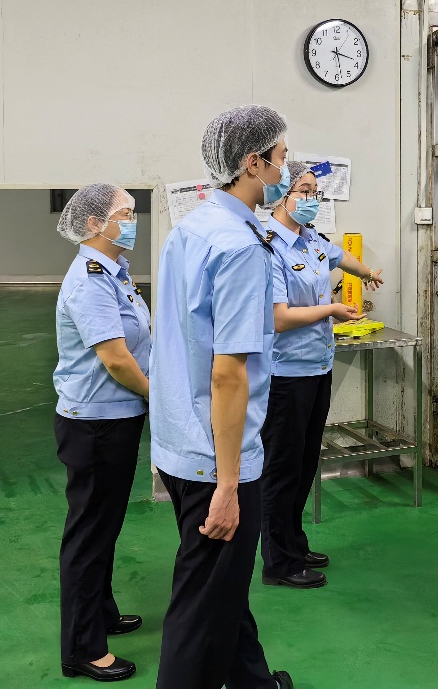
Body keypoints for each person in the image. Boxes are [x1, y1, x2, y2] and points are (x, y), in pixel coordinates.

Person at [149, 105, 294, 689]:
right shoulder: (238, 247)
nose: (287, 169)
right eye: (281, 157)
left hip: (179, 439)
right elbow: (229, 374)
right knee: (201, 609)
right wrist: (229, 486)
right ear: (252, 163)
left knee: (222, 587)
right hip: (218, 457)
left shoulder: (192, 228)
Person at [260, 161, 383, 589]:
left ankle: (294, 543)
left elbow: (339, 256)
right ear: (281, 194)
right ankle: (278, 562)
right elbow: (278, 318)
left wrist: (366, 273)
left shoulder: (310, 238)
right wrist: (331, 309)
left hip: (317, 366)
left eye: (315, 192)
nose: (312, 199)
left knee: (305, 461)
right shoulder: (268, 247)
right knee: (282, 468)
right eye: (304, 190)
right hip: (285, 374)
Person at [52, 183, 152, 682]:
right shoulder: (90, 280)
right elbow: (115, 359)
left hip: (115, 416)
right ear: (94, 224)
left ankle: (102, 613)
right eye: (125, 213)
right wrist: (158, 396)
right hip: (94, 423)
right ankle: (83, 648)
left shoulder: (115, 272)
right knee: (90, 532)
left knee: (105, 524)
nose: (133, 221)